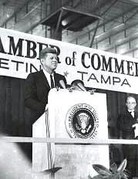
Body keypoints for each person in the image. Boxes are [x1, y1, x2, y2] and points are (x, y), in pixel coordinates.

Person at [23, 47, 67, 161]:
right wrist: (45, 107)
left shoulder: (61, 78)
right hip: (39, 124)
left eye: (56, 58)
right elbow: (28, 100)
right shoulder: (33, 77)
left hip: (59, 126)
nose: (55, 60)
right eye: (51, 58)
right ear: (42, 61)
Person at [117, 95, 138, 178]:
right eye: (128, 103)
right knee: (130, 164)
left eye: (132, 103)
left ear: (135, 104)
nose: (130, 104)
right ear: (126, 104)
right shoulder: (122, 115)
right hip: (129, 144)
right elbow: (119, 126)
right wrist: (133, 125)